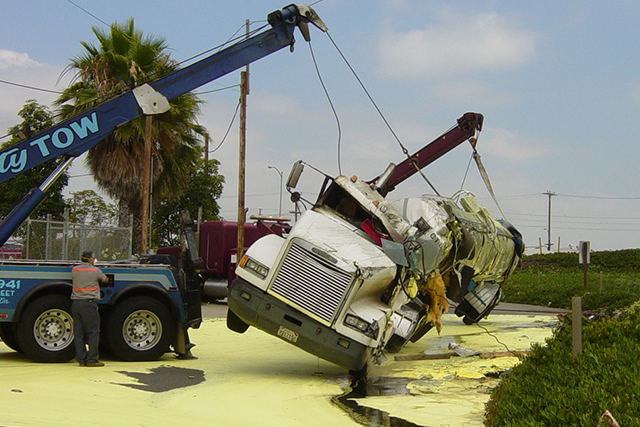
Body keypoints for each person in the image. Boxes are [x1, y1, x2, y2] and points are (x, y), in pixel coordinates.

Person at [71, 251, 108, 367]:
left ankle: (81, 360)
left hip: (76, 304)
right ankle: (92, 359)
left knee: (78, 333)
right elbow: (105, 280)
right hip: (89, 304)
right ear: (91, 260)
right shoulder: (95, 271)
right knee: (92, 332)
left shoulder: (74, 270)